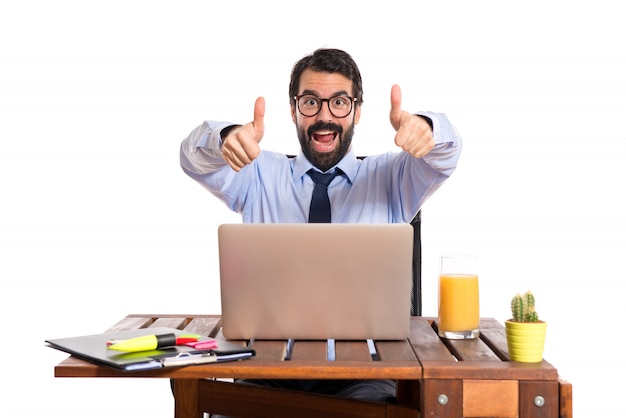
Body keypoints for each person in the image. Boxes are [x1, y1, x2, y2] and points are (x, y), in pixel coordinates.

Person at [179, 48, 462, 412]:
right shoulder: (257, 174)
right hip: (267, 371)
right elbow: (191, 158)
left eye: (339, 102)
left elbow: (447, 154)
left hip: (368, 376)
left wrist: (427, 128)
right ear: (295, 110)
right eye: (311, 102)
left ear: (358, 110)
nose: (324, 116)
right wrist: (224, 138)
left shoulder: (393, 177)